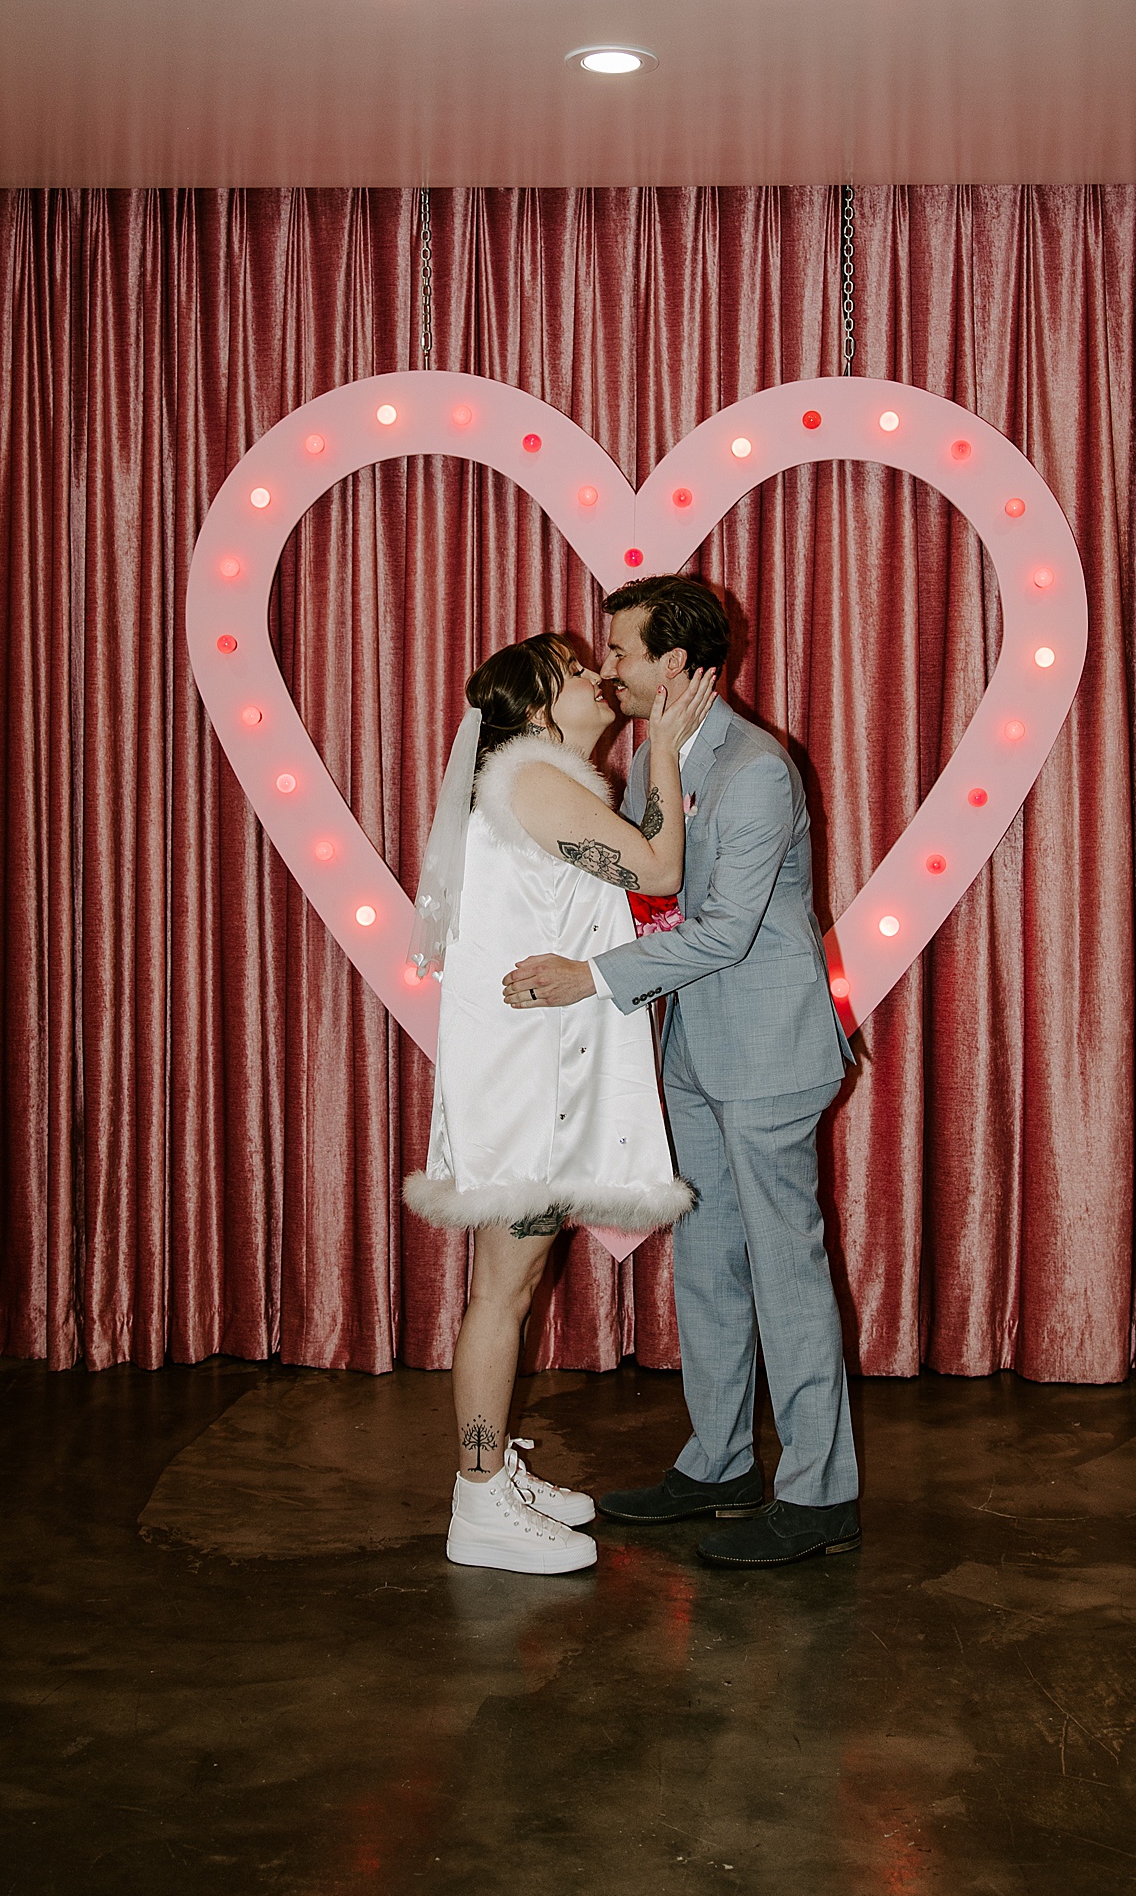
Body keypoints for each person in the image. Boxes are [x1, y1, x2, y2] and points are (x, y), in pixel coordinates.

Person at [503, 577, 860, 1568]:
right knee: (706, 1264)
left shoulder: (752, 770)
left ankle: (820, 1494)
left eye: (618, 652)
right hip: (695, 1047)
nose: (605, 667)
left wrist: (588, 978)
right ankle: (719, 1464)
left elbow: (724, 932)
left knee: (785, 1271)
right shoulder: (665, 757)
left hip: (770, 1049)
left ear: (678, 665)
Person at [404, 630, 714, 1577]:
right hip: (524, 1081)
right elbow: (658, 872)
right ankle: (479, 1499)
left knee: (518, 1279)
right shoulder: (533, 782)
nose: (600, 678)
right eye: (579, 674)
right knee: (503, 1286)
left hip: (543, 1069)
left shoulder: (549, 781)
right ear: (539, 707)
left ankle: (493, 1473)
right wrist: (663, 744)